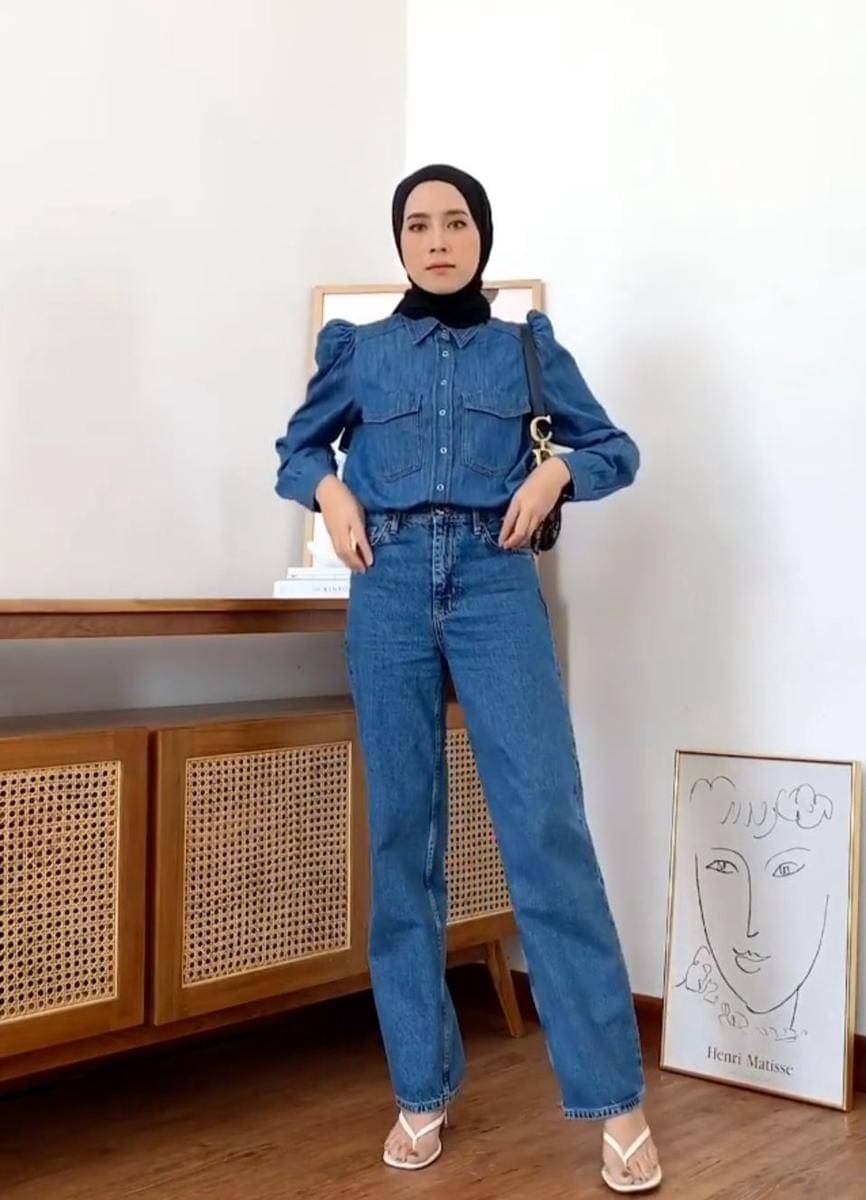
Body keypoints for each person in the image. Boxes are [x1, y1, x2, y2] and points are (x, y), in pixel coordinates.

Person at [274, 163, 663, 1193]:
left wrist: (556, 470)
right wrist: (330, 494)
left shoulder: (525, 348)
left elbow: (615, 447)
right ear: (399, 241)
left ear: (481, 236)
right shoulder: (358, 350)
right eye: (418, 224)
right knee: (404, 836)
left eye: (455, 222)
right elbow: (296, 451)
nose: (437, 239)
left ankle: (612, 1097)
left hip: (495, 582)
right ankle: (420, 1086)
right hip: (388, 584)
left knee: (544, 825)